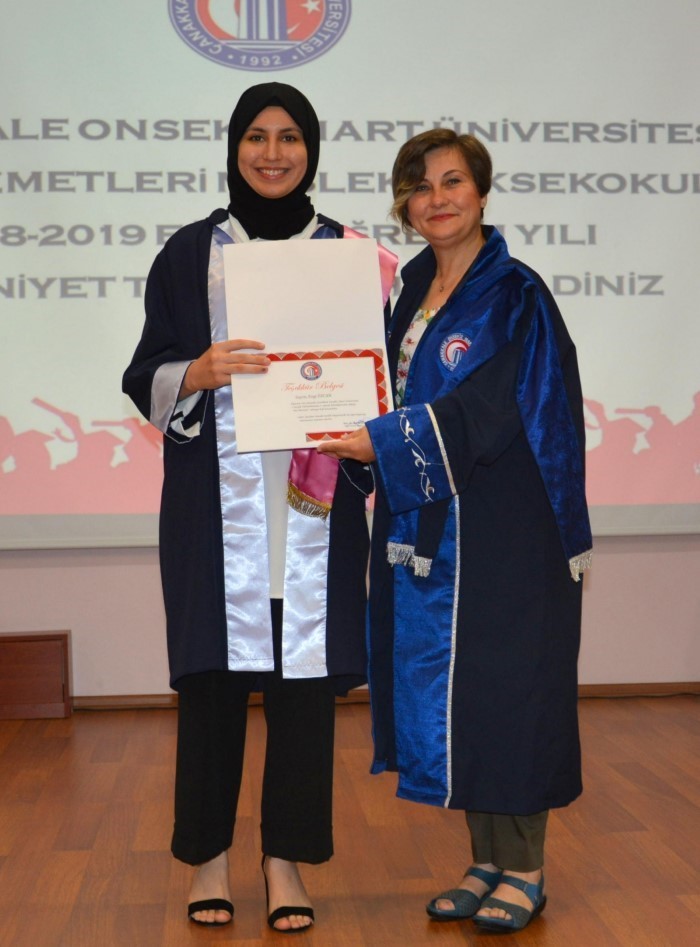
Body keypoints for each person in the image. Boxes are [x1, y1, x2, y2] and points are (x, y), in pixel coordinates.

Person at [123, 82, 394, 933]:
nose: (272, 153)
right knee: (212, 686)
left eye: (289, 137)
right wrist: (195, 373)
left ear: (311, 149)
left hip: (315, 501)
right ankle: (208, 857)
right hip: (216, 511)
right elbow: (145, 371)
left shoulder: (350, 254)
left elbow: (383, 371)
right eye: (256, 136)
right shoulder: (188, 253)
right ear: (234, 146)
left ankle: (286, 861)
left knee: (302, 691)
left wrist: (367, 423)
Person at [318, 128, 592, 933]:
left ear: (481, 192)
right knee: (460, 693)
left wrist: (382, 442)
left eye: (452, 181)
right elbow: (386, 387)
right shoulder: (410, 288)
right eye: (420, 185)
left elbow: (491, 408)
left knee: (509, 690)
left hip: (509, 525)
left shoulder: (514, 294)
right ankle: (486, 859)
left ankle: (526, 867)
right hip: (436, 520)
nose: (436, 198)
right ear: (404, 203)